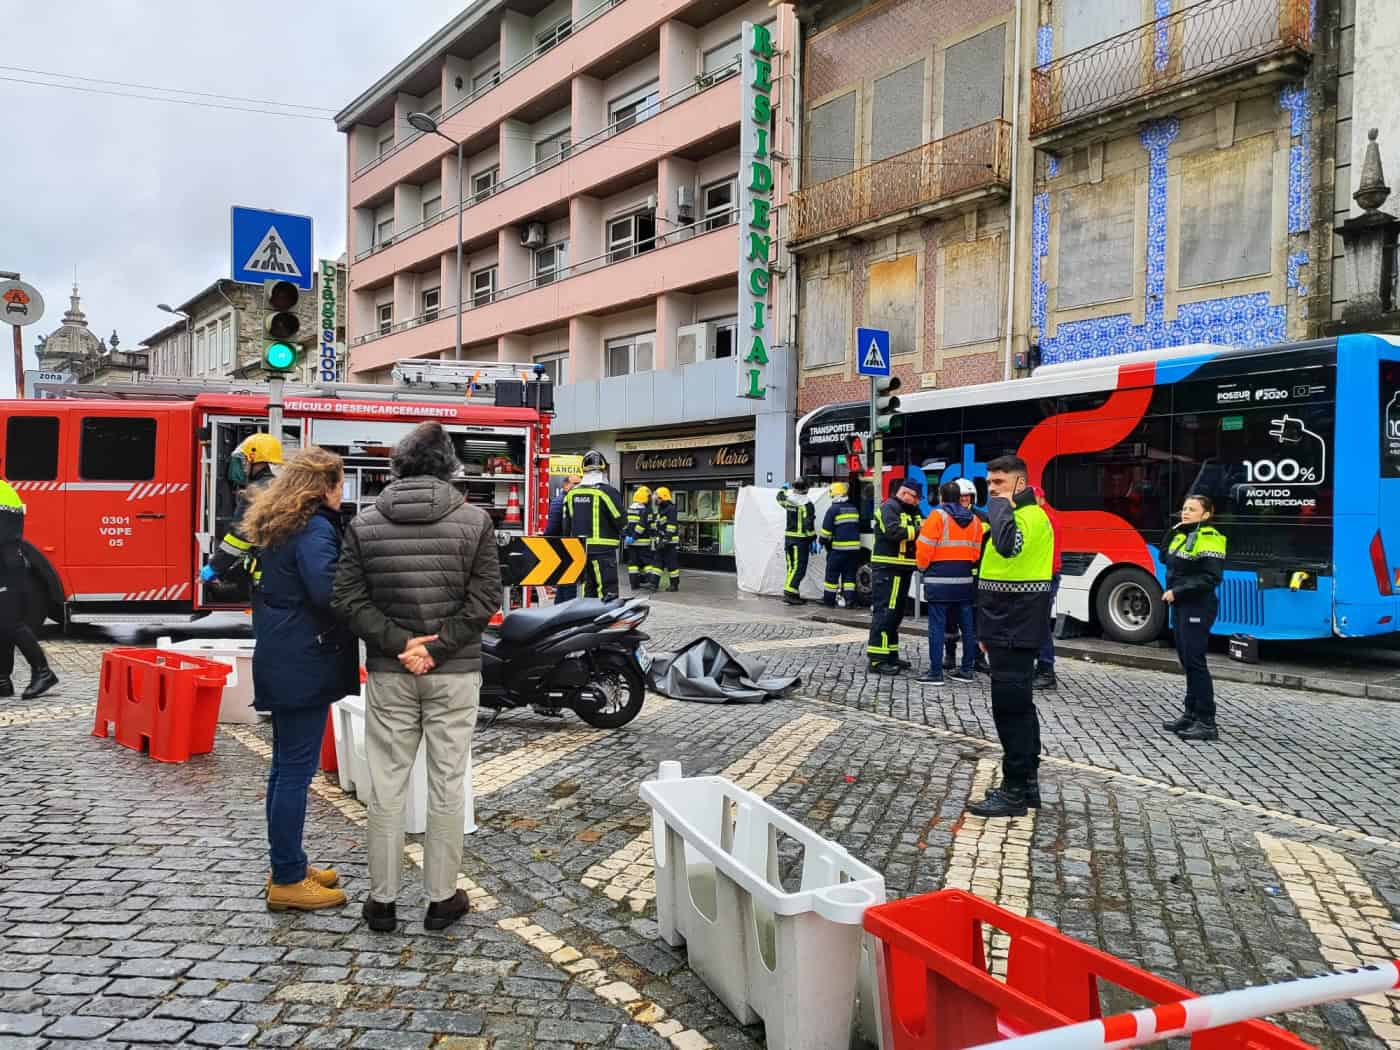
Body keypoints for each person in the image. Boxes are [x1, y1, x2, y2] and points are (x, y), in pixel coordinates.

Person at [332, 422, 502, 933]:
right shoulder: (475, 521)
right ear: (450, 468)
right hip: (454, 672)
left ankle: (381, 902)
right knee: (447, 783)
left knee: (386, 785)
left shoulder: (364, 523)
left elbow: (347, 598)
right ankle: (441, 898)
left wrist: (398, 644)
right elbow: (485, 599)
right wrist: (440, 644)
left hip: (390, 671)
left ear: (396, 470)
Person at [243, 448, 357, 913]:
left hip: (284, 650)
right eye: (340, 482)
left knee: (283, 769)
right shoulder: (312, 528)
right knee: (294, 770)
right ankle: (288, 878)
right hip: (303, 656)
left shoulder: (282, 523)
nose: (343, 490)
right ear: (324, 486)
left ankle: (288, 862)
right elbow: (328, 590)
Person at [967, 455, 1055, 818]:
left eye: (999, 483)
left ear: (1021, 484)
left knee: (1011, 711)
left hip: (1013, 626)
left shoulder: (1028, 518)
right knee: (1019, 708)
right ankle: (1027, 785)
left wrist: (999, 507)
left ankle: (1014, 790)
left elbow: (1007, 547)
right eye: (989, 484)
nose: (992, 490)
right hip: (1005, 625)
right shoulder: (1022, 516)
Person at [1160, 494, 1227, 742]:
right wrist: (1172, 530)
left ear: (1206, 515)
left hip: (1197, 606)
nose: (1185, 512)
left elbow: (1211, 578)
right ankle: (1190, 714)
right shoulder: (1182, 534)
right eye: (1184, 507)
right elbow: (1164, 557)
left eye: (1192, 509)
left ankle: (1207, 722)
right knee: (1186, 660)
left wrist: (1177, 591)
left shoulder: (1212, 539)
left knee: (1195, 661)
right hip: (1181, 605)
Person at [916, 481, 984, 686]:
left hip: (939, 580)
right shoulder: (974, 519)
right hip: (964, 581)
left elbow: (924, 546)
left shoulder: (937, 516)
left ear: (941, 497)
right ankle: (966, 670)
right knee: (968, 627)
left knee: (937, 627)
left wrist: (922, 567)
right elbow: (975, 553)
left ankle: (936, 672)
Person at [0, 479, 57, 701]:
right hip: (10, 563)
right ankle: (3, 680)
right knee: (3, 623)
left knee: (10, 623)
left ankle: (43, 672)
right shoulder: (5, 489)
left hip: (5, 566)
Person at [203, 433, 283, 585]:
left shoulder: (255, 493)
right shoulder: (281, 487)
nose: (244, 466)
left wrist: (214, 567)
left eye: (245, 460)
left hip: (267, 581)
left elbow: (239, 537)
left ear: (254, 459)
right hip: (283, 574)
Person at [866, 477, 922, 675]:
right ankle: (876, 660)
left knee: (896, 614)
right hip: (888, 569)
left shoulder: (912, 510)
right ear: (904, 492)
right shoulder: (888, 507)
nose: (917, 501)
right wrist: (918, 530)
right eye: (915, 497)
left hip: (903, 569)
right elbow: (893, 531)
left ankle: (890, 654)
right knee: (885, 612)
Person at [564, 451, 624, 601]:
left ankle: (586, 619)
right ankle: (606, 620)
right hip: (604, 550)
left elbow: (566, 523)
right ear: (603, 469)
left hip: (580, 549)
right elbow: (620, 519)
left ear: (583, 470)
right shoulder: (607, 492)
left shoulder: (572, 494)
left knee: (586, 587)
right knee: (607, 589)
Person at [1032, 485, 1062, 691]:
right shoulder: (1047, 516)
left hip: (1044, 576)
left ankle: (1046, 670)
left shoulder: (1044, 518)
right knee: (1038, 623)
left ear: (1040, 498)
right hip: (1047, 574)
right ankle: (1042, 667)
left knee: (1040, 624)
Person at [818, 481, 861, 608]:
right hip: (854, 551)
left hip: (838, 550)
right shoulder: (854, 508)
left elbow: (826, 531)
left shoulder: (833, 510)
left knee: (832, 575)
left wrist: (822, 543)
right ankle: (850, 601)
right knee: (849, 576)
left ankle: (829, 601)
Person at [777, 479, 817, 605]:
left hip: (788, 539)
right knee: (799, 567)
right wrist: (813, 539)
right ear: (807, 489)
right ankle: (789, 593)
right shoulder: (806, 504)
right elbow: (808, 524)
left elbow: (779, 497)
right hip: (800, 540)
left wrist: (783, 488)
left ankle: (794, 593)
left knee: (791, 567)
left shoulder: (789, 500)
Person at [545, 474, 582, 603]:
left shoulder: (572, 500)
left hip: (568, 549)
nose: (578, 486)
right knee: (568, 588)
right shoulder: (560, 501)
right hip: (564, 548)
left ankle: (559, 610)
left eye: (579, 483)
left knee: (563, 586)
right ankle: (566, 615)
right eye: (575, 483)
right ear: (566, 485)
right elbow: (552, 528)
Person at [649, 487, 682, 592]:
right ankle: (653, 584)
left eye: (658, 498)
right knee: (657, 563)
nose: (656, 500)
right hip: (661, 541)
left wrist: (665, 540)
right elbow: (658, 525)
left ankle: (674, 585)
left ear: (663, 498)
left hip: (670, 543)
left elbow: (671, 526)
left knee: (672, 564)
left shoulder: (671, 509)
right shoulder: (660, 509)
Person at [624, 486, 654, 592]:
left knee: (633, 564)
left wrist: (626, 536)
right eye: (649, 497)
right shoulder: (644, 510)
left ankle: (634, 585)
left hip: (631, 543)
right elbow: (641, 526)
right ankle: (652, 583)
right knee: (648, 563)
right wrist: (634, 536)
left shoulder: (630, 508)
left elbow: (625, 524)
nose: (650, 499)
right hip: (642, 542)